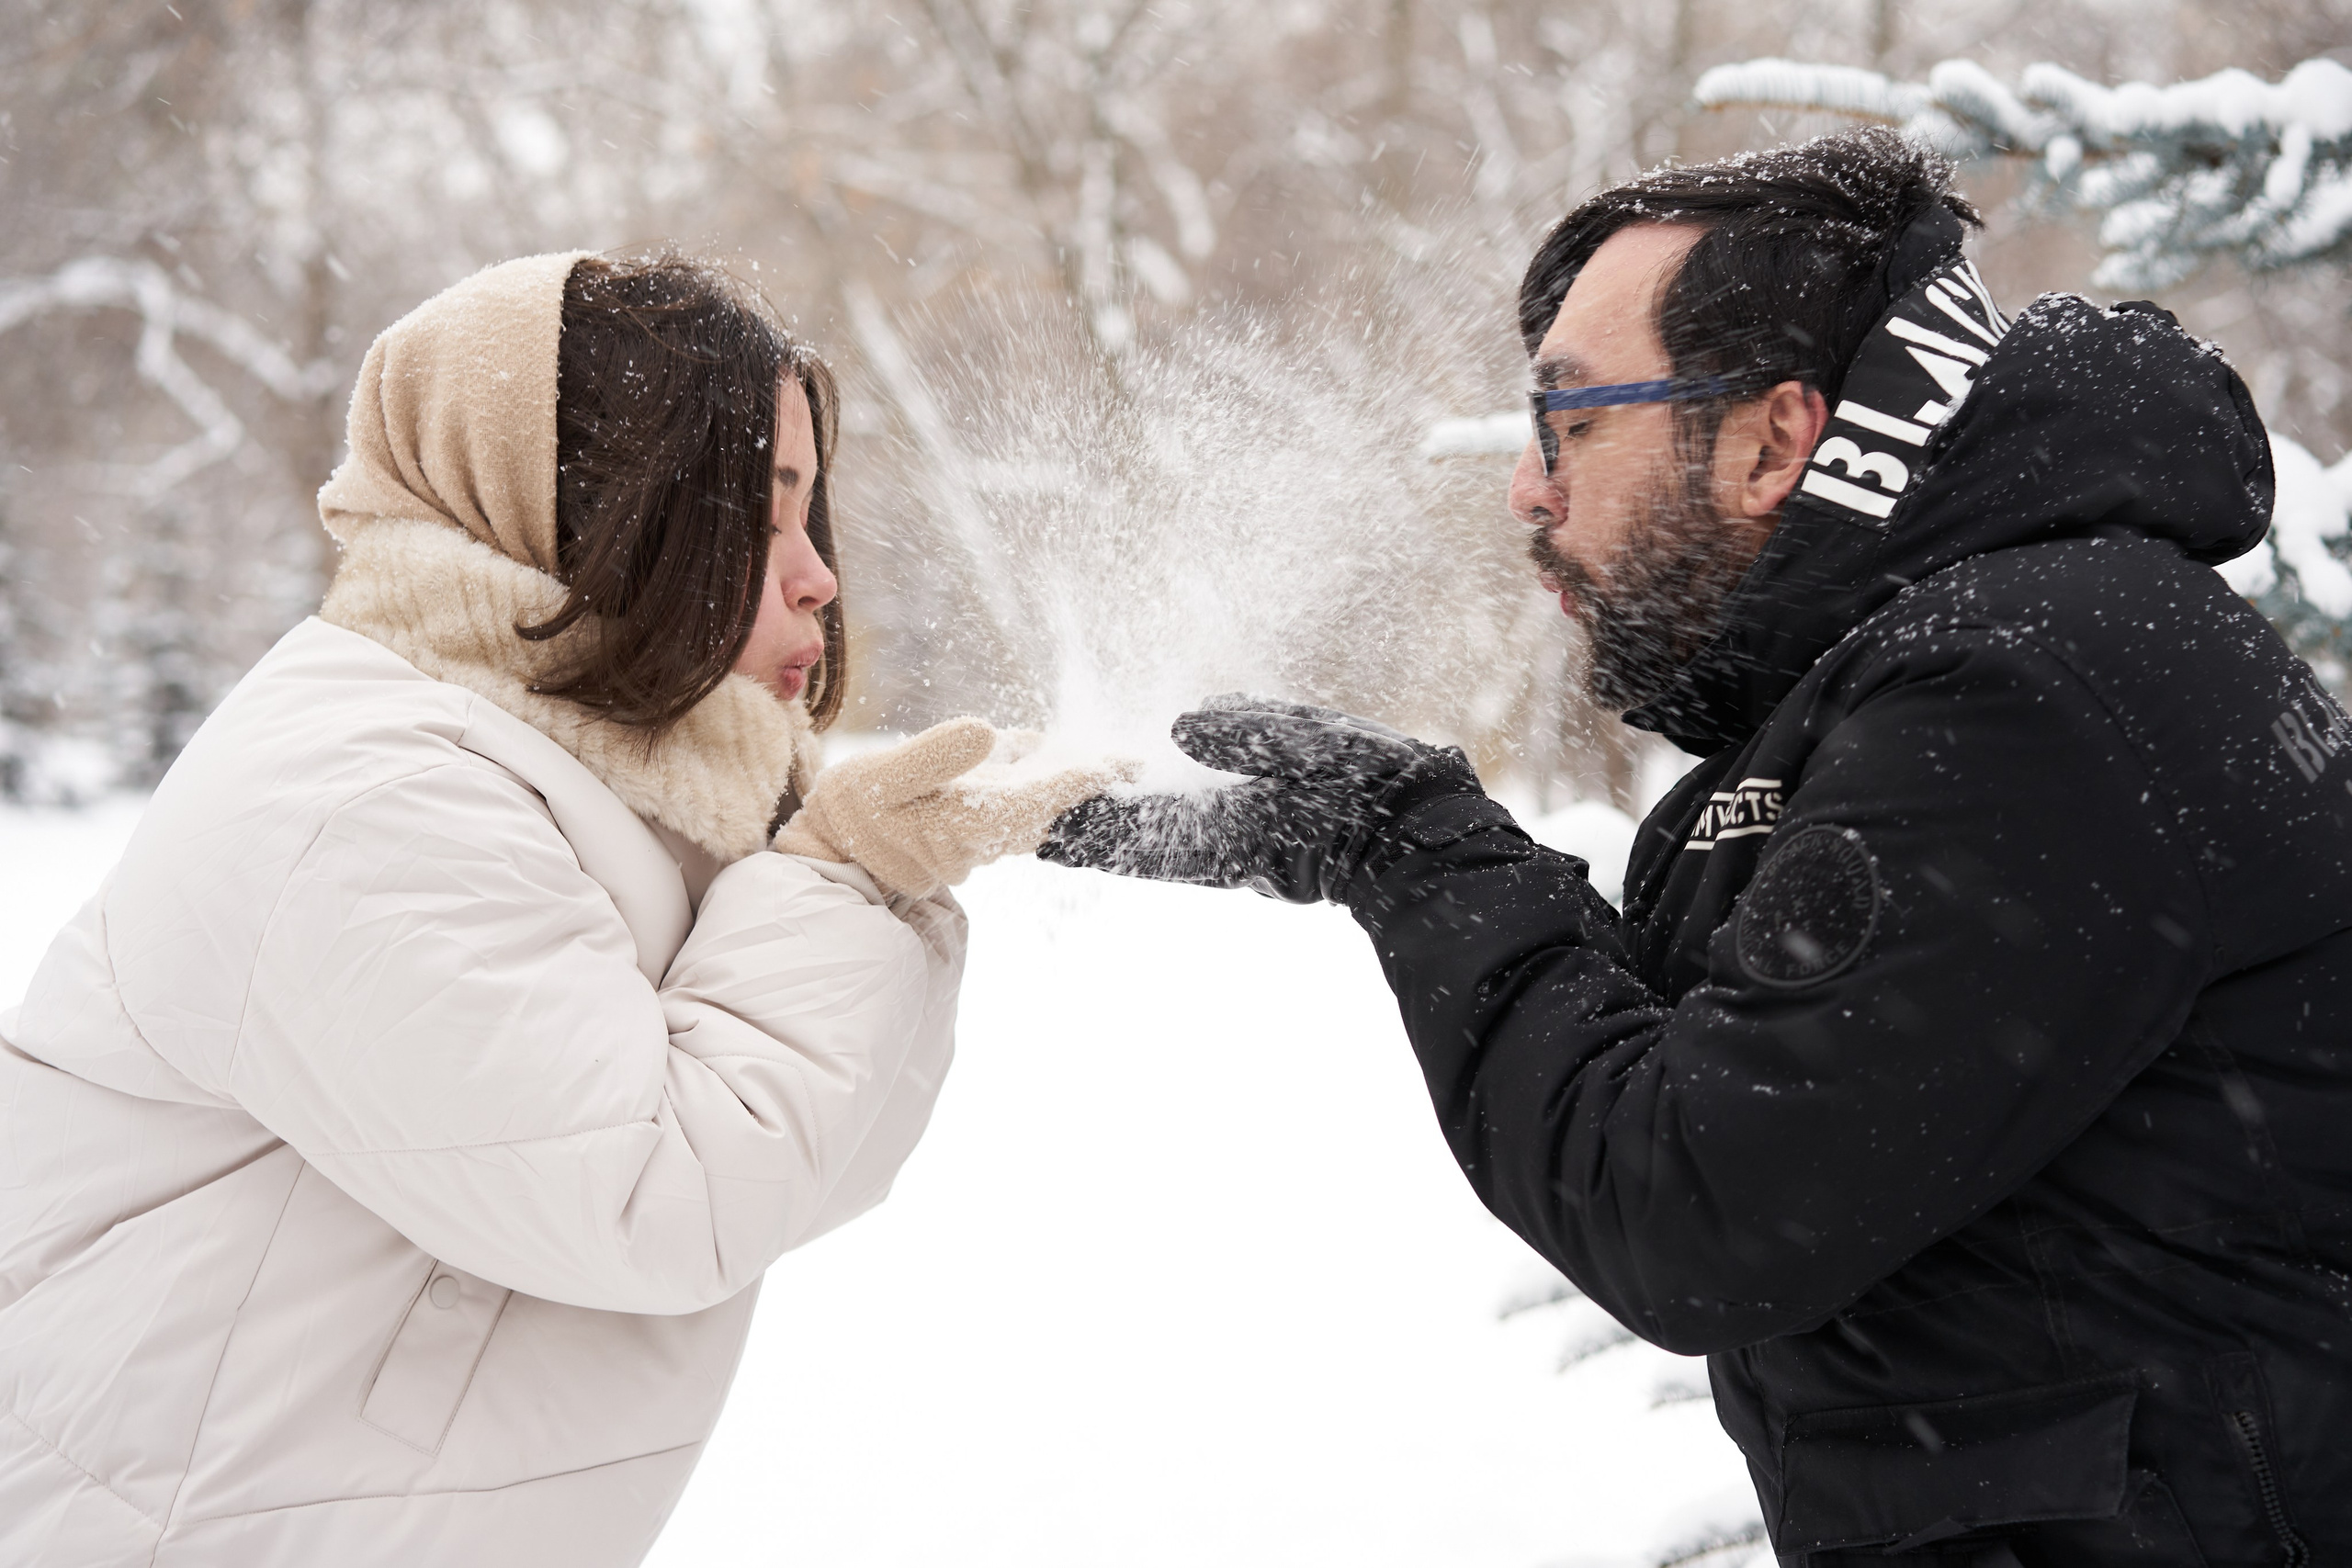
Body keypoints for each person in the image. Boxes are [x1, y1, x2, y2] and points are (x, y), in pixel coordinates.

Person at [1044, 128, 2352, 1565]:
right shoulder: (1934, 676)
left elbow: (1699, 1204)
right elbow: (1728, 1077)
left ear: (1776, 436)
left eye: (1575, 422)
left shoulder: (2028, 690)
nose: (1529, 495)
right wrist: (1365, 842)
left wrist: (1424, 852)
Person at [0, 252, 1126, 1567]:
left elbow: (802, 1164)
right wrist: (838, 882)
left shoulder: (606, 787)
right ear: (596, 510)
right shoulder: (367, 794)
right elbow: (662, 1202)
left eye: (813, 516)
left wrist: (845, 877)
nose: (816, 575)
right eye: (759, 516)